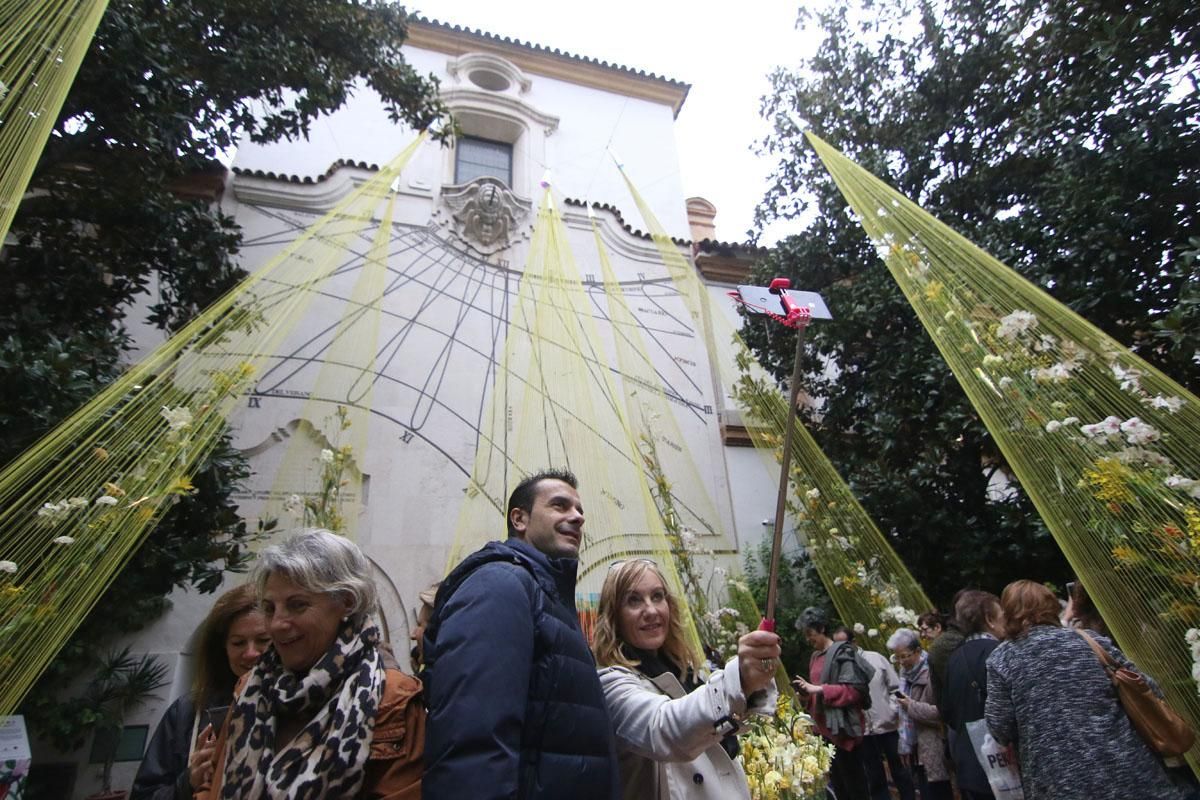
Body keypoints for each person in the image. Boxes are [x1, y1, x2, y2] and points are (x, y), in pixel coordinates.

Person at [421, 468, 618, 800]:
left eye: (580, 510)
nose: (577, 517)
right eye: (560, 505)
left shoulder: (546, 598)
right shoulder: (500, 585)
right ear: (519, 519)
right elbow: (474, 744)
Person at [201, 529, 425, 799]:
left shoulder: (394, 701)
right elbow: (212, 788)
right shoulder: (248, 690)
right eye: (270, 608)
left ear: (347, 602)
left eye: (297, 605)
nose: (277, 624)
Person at [594, 558, 780, 799]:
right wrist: (739, 678)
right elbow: (665, 727)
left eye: (657, 596)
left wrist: (752, 681)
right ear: (614, 616)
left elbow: (726, 723)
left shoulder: (687, 672)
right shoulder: (610, 684)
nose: (651, 611)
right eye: (634, 600)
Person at [985, 580, 1186, 800]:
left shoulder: (1001, 660)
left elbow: (1000, 728)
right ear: (1051, 606)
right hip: (1126, 767)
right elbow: (1148, 687)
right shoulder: (1088, 640)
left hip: (1057, 782)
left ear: (1008, 613)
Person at [132, 584, 270, 800]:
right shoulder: (188, 712)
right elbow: (144, 795)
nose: (251, 653)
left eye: (263, 640)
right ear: (223, 649)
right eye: (238, 643)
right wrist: (187, 782)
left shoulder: (306, 701)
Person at [793, 608, 873, 800]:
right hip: (824, 731)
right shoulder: (815, 656)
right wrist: (806, 695)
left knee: (855, 786)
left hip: (843, 729)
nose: (808, 639)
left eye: (810, 634)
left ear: (821, 628)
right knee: (839, 785)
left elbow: (854, 691)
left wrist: (820, 690)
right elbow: (815, 691)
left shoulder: (843, 653)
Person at [833, 626, 914, 800]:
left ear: (854, 642)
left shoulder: (875, 658)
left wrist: (892, 711)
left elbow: (895, 686)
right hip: (864, 730)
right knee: (874, 775)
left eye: (844, 644)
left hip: (889, 726)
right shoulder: (838, 668)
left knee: (900, 770)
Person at [939, 590, 1003, 800]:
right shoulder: (998, 652)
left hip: (969, 761)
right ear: (989, 619)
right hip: (1002, 763)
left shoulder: (954, 658)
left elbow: (946, 710)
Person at [887, 628, 952, 800]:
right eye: (897, 657)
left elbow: (943, 712)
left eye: (905, 656)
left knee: (939, 793)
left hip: (934, 747)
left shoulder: (932, 672)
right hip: (916, 748)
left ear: (917, 651)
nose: (901, 662)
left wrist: (911, 706)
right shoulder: (905, 675)